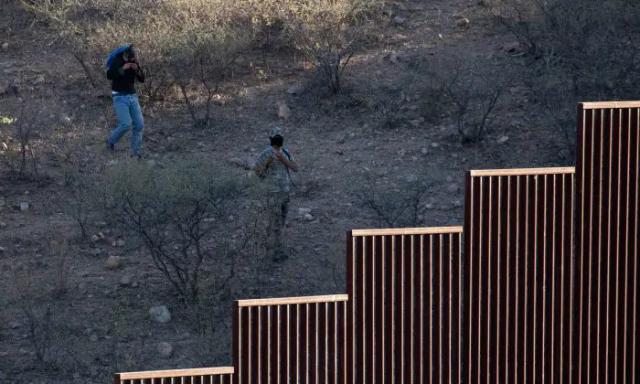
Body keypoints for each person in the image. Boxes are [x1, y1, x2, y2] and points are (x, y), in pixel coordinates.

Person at [254, 127, 299, 262]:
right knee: (276, 222)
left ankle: (269, 242)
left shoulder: (285, 152)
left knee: (282, 220)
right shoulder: (265, 153)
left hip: (285, 191)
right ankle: (276, 252)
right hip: (273, 193)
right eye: (275, 137)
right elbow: (258, 172)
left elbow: (295, 168)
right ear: (271, 139)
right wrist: (267, 163)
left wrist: (283, 159)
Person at [105, 45, 145, 157]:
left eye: (135, 58)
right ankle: (110, 142)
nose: (133, 60)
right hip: (119, 96)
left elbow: (142, 79)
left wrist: (137, 70)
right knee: (125, 124)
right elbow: (109, 75)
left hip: (132, 96)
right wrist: (123, 69)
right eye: (131, 59)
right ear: (126, 55)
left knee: (139, 124)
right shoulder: (117, 60)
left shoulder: (135, 62)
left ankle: (135, 152)